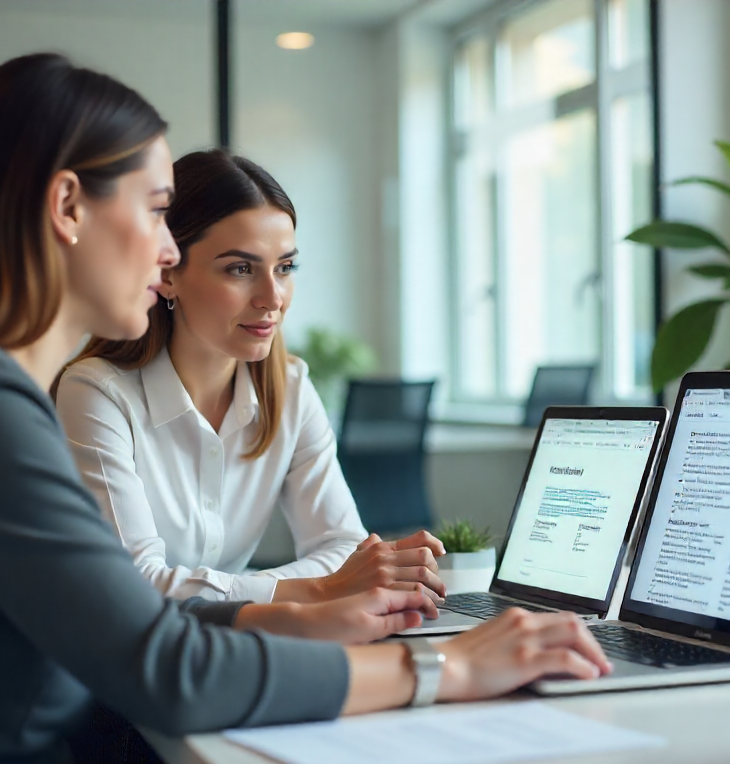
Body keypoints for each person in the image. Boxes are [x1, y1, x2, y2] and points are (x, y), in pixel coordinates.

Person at [0, 53, 609, 764]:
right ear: (67, 208)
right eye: (160, 210)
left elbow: (133, 619)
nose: (169, 252)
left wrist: (301, 616)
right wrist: (446, 672)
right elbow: (165, 667)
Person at [56, 149, 447, 607]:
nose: (273, 297)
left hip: (240, 643)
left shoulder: (291, 387)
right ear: (167, 274)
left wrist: (289, 586)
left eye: (285, 268)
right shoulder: (96, 394)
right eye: (240, 269)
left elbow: (342, 548)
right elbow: (136, 585)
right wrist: (320, 588)